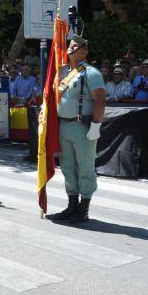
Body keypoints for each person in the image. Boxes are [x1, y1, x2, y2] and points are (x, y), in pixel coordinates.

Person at [47, 35, 106, 225]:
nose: (71, 49)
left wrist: (96, 125)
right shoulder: (62, 72)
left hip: (82, 126)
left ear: (85, 50)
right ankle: (72, 204)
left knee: (85, 167)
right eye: (70, 46)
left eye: (75, 46)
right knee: (67, 167)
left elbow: (100, 100)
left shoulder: (91, 73)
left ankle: (84, 207)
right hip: (63, 125)